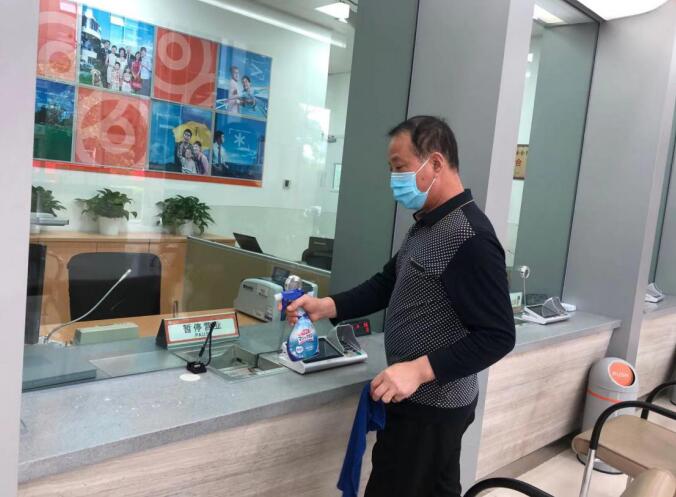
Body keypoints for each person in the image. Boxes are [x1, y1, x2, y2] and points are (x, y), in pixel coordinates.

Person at [286, 116, 516, 497]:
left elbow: (498, 335)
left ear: (435, 163)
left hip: (431, 408)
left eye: (400, 167)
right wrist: (328, 306)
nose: (394, 179)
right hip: (416, 402)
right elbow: (387, 283)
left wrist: (418, 370)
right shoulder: (426, 225)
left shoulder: (469, 237)